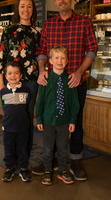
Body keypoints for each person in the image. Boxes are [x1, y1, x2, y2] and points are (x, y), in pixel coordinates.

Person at [35, 0, 98, 181]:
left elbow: (91, 50)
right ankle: (53, 159)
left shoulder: (84, 22)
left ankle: (76, 160)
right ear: (55, 1)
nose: (61, 1)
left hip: (74, 82)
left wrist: (80, 72)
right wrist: (42, 70)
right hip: (52, 82)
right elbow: (42, 52)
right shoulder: (49, 24)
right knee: (51, 120)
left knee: (75, 121)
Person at [0, 0, 41, 158]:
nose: (26, 9)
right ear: (17, 9)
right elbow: (1, 57)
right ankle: (10, 156)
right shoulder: (8, 30)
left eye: (29, 6)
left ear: (33, 9)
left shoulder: (38, 32)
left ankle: (24, 156)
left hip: (32, 83)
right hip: (10, 83)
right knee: (11, 117)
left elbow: (42, 57)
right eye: (22, 6)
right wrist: (1, 82)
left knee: (26, 119)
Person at [36, 46, 79, 186]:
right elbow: (40, 100)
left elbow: (75, 103)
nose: (59, 61)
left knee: (62, 148)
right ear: (50, 61)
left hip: (64, 122)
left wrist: (72, 120)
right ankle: (47, 171)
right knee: (48, 149)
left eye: (62, 58)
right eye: (56, 58)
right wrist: (39, 118)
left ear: (67, 61)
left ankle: (62, 170)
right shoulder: (45, 79)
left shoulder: (70, 80)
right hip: (48, 121)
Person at [0, 61, 32, 183]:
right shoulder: (3, 91)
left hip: (23, 127)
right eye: (10, 73)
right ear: (6, 75)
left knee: (22, 149)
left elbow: (27, 106)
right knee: (8, 149)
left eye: (16, 73)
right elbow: (4, 108)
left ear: (21, 75)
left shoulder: (26, 90)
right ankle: (9, 168)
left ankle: (23, 168)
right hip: (8, 127)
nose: (13, 76)